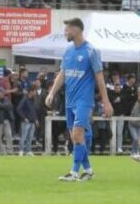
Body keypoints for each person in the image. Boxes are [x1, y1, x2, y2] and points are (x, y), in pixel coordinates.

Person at [46, 18, 113, 181]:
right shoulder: (68, 51)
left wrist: (106, 102)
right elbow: (62, 74)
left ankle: (74, 172)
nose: (65, 33)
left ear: (76, 30)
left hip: (84, 101)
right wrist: (52, 93)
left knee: (77, 135)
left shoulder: (91, 51)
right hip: (69, 101)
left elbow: (99, 78)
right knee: (76, 137)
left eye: (67, 29)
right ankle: (88, 170)